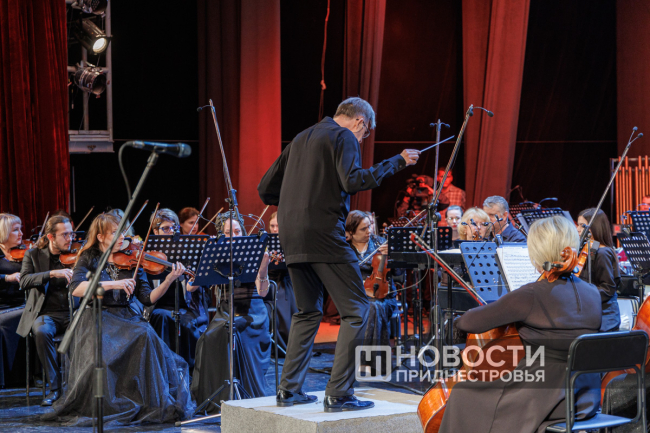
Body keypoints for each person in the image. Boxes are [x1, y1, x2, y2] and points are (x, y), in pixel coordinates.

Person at [258, 96, 420, 411]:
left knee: (307, 312)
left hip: (291, 236)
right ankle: (340, 393)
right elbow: (353, 180)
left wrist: (298, 197)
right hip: (323, 233)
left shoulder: (300, 138)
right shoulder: (343, 136)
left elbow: (266, 189)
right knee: (358, 309)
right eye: (366, 133)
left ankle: (288, 390)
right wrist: (397, 161)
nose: (362, 138)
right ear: (361, 121)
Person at [438, 215, 602, 433]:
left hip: (541, 399)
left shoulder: (531, 294)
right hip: (585, 397)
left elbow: (470, 322)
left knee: (462, 394)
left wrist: (458, 321)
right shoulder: (592, 292)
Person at [44, 213, 194, 425]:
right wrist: (114, 284)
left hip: (125, 317)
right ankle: (109, 406)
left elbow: (147, 298)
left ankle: (142, 401)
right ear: (100, 236)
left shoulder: (134, 258)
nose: (122, 236)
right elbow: (76, 288)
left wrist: (169, 279)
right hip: (97, 316)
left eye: (122, 231)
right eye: (115, 233)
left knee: (146, 335)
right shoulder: (89, 257)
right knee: (104, 358)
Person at [191, 213, 271, 412]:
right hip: (226, 311)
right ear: (221, 235)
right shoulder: (217, 254)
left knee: (233, 333)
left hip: (252, 312)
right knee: (209, 338)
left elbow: (262, 292)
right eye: (228, 233)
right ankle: (218, 397)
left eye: (237, 231)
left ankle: (244, 395)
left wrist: (262, 270)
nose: (234, 236)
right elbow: (191, 287)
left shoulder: (254, 251)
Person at [17, 215, 74, 406]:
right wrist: (51, 274)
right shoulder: (32, 255)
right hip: (45, 314)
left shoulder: (77, 254)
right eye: (65, 235)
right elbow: (24, 280)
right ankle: (55, 388)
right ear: (51, 237)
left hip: (73, 313)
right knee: (41, 332)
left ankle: (78, 387)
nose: (70, 238)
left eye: (71, 234)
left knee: (86, 331)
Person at [148, 209, 209, 370]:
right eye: (166, 228)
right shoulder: (149, 255)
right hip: (159, 306)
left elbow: (195, 286)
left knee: (188, 323)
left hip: (185, 305)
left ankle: (190, 373)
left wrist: (194, 280)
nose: (171, 232)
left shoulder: (186, 251)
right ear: (156, 231)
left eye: (174, 228)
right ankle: (165, 370)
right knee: (162, 317)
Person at [345, 211, 400, 375]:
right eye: (363, 229)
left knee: (375, 306)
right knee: (372, 307)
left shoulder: (380, 243)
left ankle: (365, 361)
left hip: (384, 296)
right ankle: (376, 362)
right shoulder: (345, 249)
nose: (369, 231)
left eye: (369, 227)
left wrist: (392, 256)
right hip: (355, 296)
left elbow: (398, 274)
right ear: (351, 232)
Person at [576, 208, 621, 332]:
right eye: (578, 225)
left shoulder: (603, 253)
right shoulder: (591, 248)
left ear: (595, 227)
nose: (578, 229)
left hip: (604, 318)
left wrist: (582, 295)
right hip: (591, 313)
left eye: (582, 225)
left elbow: (608, 288)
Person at [0, 213, 26, 388]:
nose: (21, 234)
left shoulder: (25, 254)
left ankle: (14, 376)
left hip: (22, 304)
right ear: (3, 233)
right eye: (16, 230)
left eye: (20, 229)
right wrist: (6, 278)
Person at [267, 211, 297, 353]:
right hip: (268, 283)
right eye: (272, 226)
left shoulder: (292, 240)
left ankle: (287, 348)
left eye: (278, 226)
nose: (275, 229)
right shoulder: (266, 243)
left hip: (287, 282)